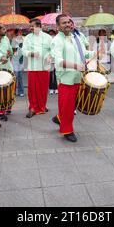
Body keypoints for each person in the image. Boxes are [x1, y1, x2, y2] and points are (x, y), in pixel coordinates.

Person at [51, 14, 95, 142]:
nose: (68, 24)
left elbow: (84, 53)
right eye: (64, 23)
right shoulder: (56, 40)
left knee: (73, 105)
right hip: (66, 79)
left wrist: (96, 53)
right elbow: (58, 61)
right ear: (58, 26)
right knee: (67, 107)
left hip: (78, 77)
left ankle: (59, 118)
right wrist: (76, 66)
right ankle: (67, 130)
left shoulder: (76, 37)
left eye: (69, 22)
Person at [23, 18, 53, 118]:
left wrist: (50, 56)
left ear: (39, 26)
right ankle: (32, 108)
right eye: (30, 26)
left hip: (44, 67)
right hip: (32, 67)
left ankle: (42, 106)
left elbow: (52, 50)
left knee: (43, 88)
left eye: (33, 26)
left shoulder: (48, 37)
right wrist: (31, 53)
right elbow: (23, 50)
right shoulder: (27, 37)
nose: (31, 28)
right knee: (32, 89)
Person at [48, 30, 58, 94]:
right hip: (50, 60)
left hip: (56, 60)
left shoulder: (57, 40)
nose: (51, 35)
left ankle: (56, 88)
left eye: (52, 34)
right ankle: (51, 88)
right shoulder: (48, 41)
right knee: (51, 75)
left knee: (56, 75)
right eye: (50, 34)